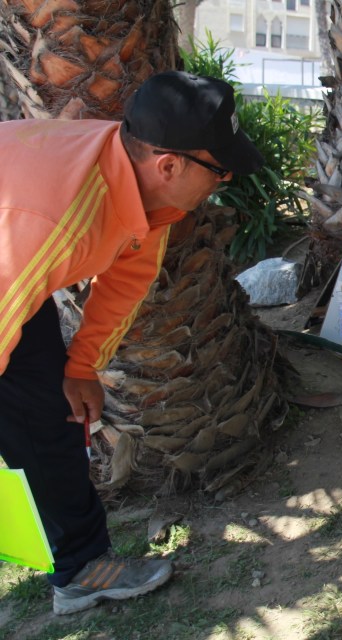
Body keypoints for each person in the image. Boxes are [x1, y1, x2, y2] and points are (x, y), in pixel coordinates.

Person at [0, 71, 264, 614]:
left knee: (50, 410)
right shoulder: (56, 220)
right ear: (169, 165)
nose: (226, 178)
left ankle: (79, 569)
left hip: (19, 271)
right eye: (219, 169)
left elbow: (125, 279)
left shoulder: (142, 184)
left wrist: (82, 366)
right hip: (13, 253)